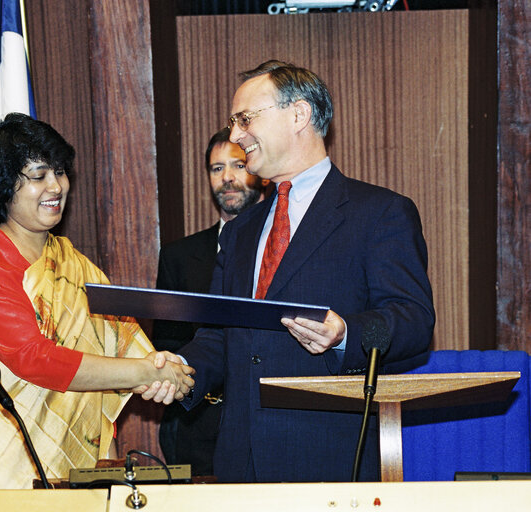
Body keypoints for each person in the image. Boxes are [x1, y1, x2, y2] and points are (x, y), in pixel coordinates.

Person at [154, 60, 435, 483]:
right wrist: (177, 370)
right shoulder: (239, 231)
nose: (235, 135)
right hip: (238, 462)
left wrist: (346, 333)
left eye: (245, 119)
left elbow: (413, 321)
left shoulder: (379, 213)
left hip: (329, 459)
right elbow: (219, 335)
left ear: (299, 115)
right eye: (233, 123)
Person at [0, 113, 194, 489]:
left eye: (60, 172)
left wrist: (161, 370)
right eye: (38, 176)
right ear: (5, 186)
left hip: (73, 465)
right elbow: (33, 358)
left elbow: (118, 365)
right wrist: (148, 373)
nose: (56, 186)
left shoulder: (80, 269)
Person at [153, 127, 266, 475]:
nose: (228, 178)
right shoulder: (179, 255)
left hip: (265, 417)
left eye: (238, 165)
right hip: (194, 420)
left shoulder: (281, 247)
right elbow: (167, 340)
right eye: (217, 169)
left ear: (261, 172)